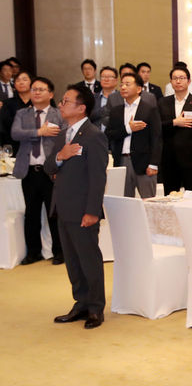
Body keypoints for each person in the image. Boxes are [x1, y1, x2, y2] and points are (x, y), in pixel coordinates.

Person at [44, 84, 108, 329]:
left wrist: (92, 211)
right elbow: (50, 167)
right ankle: (80, 303)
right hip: (62, 207)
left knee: (89, 259)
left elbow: (98, 177)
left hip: (83, 210)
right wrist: (62, 156)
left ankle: (95, 309)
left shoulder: (94, 135)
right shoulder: (63, 134)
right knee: (72, 261)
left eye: (65, 101)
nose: (61, 104)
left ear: (81, 108)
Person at [12, 77, 66, 265]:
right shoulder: (22, 114)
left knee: (55, 212)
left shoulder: (59, 114)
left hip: (51, 171)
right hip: (29, 170)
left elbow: (67, 137)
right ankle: (33, 253)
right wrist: (38, 132)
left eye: (41, 89)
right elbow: (15, 133)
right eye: (34, 89)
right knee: (31, 213)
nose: (36, 92)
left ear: (50, 94)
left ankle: (59, 251)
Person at [105, 73, 162, 198]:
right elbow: (109, 134)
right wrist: (128, 129)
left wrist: (153, 164)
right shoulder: (116, 110)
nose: (123, 87)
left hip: (144, 163)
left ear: (138, 89)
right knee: (124, 204)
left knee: (148, 202)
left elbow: (156, 138)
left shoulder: (149, 109)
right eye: (122, 84)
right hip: (121, 161)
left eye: (127, 84)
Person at [157, 66, 192, 194]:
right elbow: (157, 127)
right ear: (171, 82)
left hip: (190, 159)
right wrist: (174, 122)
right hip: (168, 158)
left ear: (189, 81)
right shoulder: (162, 103)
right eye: (175, 78)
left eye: (182, 78)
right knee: (170, 196)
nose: (178, 81)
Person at [0, 70, 33, 155]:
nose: (21, 82)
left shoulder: (39, 102)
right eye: (18, 80)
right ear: (14, 85)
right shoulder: (7, 103)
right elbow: (4, 127)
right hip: (14, 148)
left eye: (25, 79)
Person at [89, 66, 119, 131]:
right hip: (96, 136)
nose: (106, 79)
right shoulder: (92, 98)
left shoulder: (122, 98)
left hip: (116, 136)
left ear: (116, 81)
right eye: (103, 77)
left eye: (110, 77)